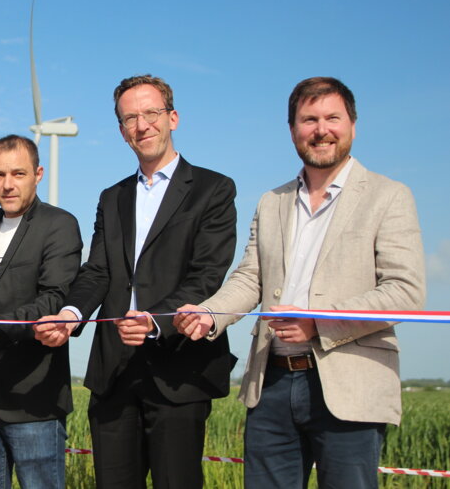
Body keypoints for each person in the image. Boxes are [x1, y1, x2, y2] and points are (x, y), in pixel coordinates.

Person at [173, 77, 426, 489]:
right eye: (309, 119)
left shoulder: (389, 196)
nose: (321, 129)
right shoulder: (271, 201)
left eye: (332, 118)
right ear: (292, 129)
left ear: (353, 125)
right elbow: (250, 277)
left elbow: (405, 291)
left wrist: (318, 323)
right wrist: (208, 314)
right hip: (270, 384)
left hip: (350, 388)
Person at [34, 74, 238, 488]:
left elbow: (208, 274)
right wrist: (71, 313)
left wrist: (156, 319)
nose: (142, 125)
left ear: (173, 118)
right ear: (122, 131)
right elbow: (98, 270)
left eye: (151, 113)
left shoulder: (213, 190)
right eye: (130, 118)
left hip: (178, 369)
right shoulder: (113, 197)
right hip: (114, 374)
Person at [0, 135, 82, 489]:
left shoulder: (59, 224)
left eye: (18, 173)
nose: (8, 184)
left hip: (35, 398)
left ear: (38, 173)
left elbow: (54, 299)